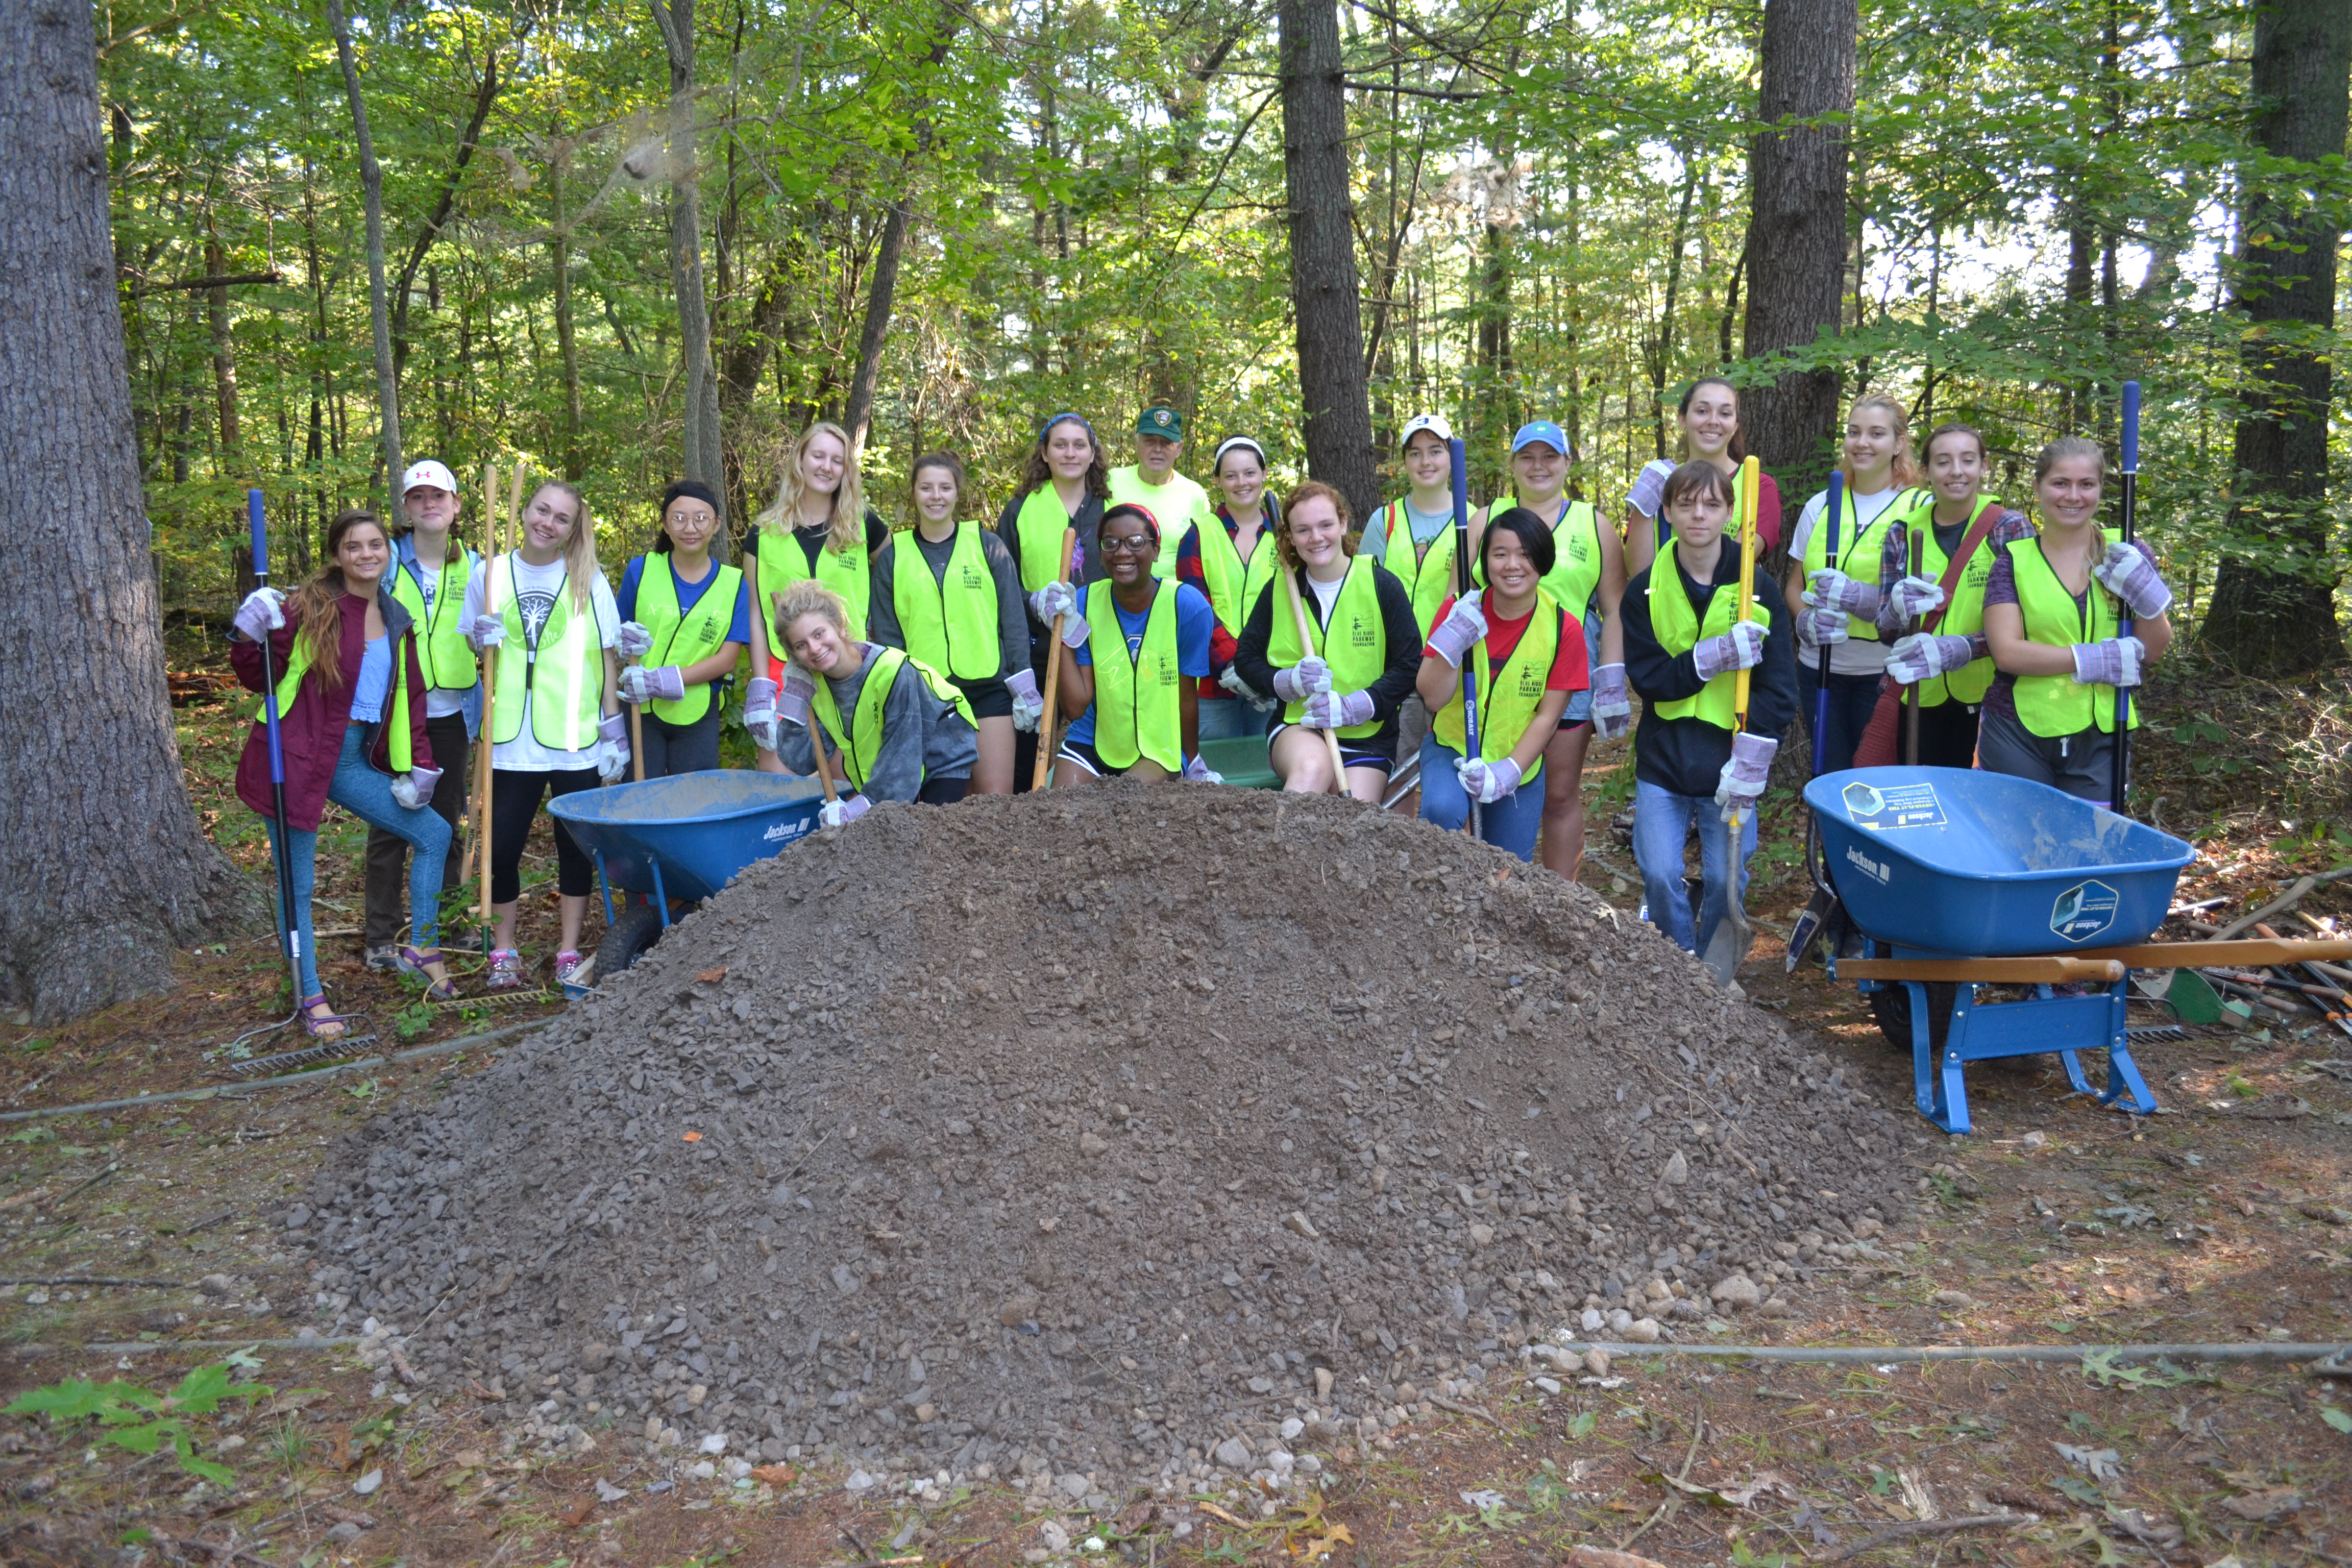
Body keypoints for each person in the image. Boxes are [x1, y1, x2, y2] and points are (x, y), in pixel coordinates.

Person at [231, 509, 456, 1037]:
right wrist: (247, 632)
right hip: (296, 756)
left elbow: (411, 697)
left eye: (375, 544)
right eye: (353, 547)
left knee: (434, 832)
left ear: (388, 551)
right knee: (300, 886)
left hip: (351, 758)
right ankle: (310, 995)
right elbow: (254, 673)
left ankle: (421, 948)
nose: (366, 555)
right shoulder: (309, 607)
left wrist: (421, 766)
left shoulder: (396, 616)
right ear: (337, 555)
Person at [1620, 462, 1798, 956]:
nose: (1698, 514)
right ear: (1669, 512)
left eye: (1712, 504)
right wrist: (1710, 657)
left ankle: (1712, 969)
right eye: (1686, 503)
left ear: (1729, 514)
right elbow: (1649, 679)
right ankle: (1681, 965)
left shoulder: (1758, 588)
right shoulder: (1644, 590)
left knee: (1725, 880)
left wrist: (1754, 754)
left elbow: (1781, 687)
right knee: (1658, 872)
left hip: (1730, 762)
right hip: (1665, 760)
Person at [462, 479, 626, 991]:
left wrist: (612, 731)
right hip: (510, 740)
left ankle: (568, 950)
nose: (547, 523)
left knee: (574, 850)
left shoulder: (588, 578)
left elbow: (607, 653)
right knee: (503, 849)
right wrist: (478, 636)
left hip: (573, 738)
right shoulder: (489, 573)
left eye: (561, 518)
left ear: (573, 529)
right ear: (526, 510)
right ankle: (504, 950)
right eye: (541, 510)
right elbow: (472, 638)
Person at [1979, 436, 2173, 806]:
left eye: (2087, 484)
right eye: (2060, 483)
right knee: (2021, 847)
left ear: (2101, 488)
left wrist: (2149, 602)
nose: (2073, 496)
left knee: (2089, 849)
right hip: (2017, 732)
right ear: (2038, 488)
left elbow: (2153, 651)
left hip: (2103, 734)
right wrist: (2089, 660)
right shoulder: (2013, 561)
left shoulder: (2127, 552)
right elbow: (2006, 653)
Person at [1473, 420, 1626, 878]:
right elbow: (1460, 596)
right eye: (1527, 457)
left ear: (1567, 463)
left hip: (1567, 672)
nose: (1539, 467)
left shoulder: (1593, 524)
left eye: (1550, 457)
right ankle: (1486, 889)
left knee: (1559, 794)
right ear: (1514, 464)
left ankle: (1564, 904)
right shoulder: (1487, 518)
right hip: (1496, 673)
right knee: (1489, 786)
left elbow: (1614, 608)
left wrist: (1612, 676)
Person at [361, 460, 479, 974]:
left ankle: (452, 921)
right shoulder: (385, 563)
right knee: (390, 825)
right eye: (418, 497)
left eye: (439, 496)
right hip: (393, 718)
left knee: (447, 822)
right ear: (406, 509)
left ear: (456, 505)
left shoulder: (476, 565)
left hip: (452, 713)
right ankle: (381, 936)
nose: (429, 504)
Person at [1415, 508, 1586, 862]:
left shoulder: (1563, 628)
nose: (1513, 565)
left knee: (1508, 870)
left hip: (1518, 764)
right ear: (1485, 560)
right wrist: (1452, 643)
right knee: (1441, 811)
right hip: (1452, 748)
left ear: (1544, 558)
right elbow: (1431, 697)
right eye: (1500, 553)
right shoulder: (1459, 610)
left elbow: (1548, 718)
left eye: (1525, 554)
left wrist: (1509, 771)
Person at [1234, 481, 1421, 800]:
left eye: (1326, 525)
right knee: (1313, 770)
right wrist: (1287, 681)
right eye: (1303, 530)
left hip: (1369, 735)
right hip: (1299, 728)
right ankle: (1279, 849)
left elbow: (1410, 664)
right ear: (1291, 537)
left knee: (1353, 817)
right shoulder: (1280, 589)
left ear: (1343, 524)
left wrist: (1356, 707)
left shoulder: (1381, 585)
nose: (1316, 538)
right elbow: (1246, 659)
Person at [868, 452, 1035, 795]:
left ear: (958, 493)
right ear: (913, 493)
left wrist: (1023, 683)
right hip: (929, 696)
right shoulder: (892, 557)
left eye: (945, 487)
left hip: (989, 689)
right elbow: (888, 638)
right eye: (926, 488)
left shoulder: (988, 546)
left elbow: (1013, 620)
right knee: (946, 807)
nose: (936, 496)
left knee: (994, 802)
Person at [1782, 393, 1929, 776]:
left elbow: (1924, 596)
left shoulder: (1918, 508)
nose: (1862, 443)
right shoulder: (1821, 504)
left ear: (1899, 443)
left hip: (1883, 672)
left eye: (1876, 434)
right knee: (1830, 778)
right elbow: (1794, 584)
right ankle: (1835, 840)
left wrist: (1861, 598)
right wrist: (1804, 621)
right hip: (1821, 668)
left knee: (1873, 779)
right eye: (1853, 432)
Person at [1031, 503, 1218, 785]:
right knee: (1061, 808)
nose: (1122, 552)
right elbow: (1076, 707)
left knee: (1125, 798)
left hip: (1158, 745)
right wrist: (1065, 633)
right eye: (1111, 543)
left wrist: (1191, 762)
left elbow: (1186, 696)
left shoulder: (1187, 606)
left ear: (1155, 550)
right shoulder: (1082, 602)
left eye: (1136, 542)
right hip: (1094, 739)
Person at [1874, 424, 2024, 768]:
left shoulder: (2010, 529)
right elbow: (1885, 632)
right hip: (1917, 699)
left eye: (1968, 460)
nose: (1957, 471)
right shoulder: (1903, 533)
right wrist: (1896, 612)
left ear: (1984, 466)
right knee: (1921, 805)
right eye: (1943, 462)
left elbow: (2027, 625)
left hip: (1992, 701)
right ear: (1926, 472)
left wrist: (1959, 648)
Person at [765, 580, 978, 819]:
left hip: (939, 760)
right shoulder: (814, 685)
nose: (814, 648)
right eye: (801, 645)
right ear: (793, 656)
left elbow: (903, 758)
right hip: (887, 776)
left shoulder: (893, 673)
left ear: (840, 627)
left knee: (925, 844)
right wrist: (796, 697)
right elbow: (802, 761)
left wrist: (855, 811)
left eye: (819, 634)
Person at [745, 421, 887, 772]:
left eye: (837, 460)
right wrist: (761, 682)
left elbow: (894, 588)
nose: (827, 466)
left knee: (843, 792)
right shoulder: (763, 534)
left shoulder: (864, 526)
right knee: (780, 793)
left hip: (846, 673)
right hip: (783, 673)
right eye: (818, 456)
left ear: (846, 470)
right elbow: (754, 614)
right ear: (801, 461)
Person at [995, 412, 1110, 790]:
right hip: (1039, 649)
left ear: (1093, 454)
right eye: (1060, 445)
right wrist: (1035, 602)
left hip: (1102, 649)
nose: (1070, 453)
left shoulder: (1111, 507)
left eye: (1080, 445)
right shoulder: (1020, 509)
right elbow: (1004, 585)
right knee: (1031, 760)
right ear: (1044, 453)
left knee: (1099, 751)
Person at [614, 480, 750, 778]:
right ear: (665, 524)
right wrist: (623, 644)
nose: (690, 528)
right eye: (679, 518)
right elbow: (619, 635)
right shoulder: (641, 569)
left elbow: (727, 659)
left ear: (716, 524)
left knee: (694, 801)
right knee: (639, 801)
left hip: (697, 711)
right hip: (640, 708)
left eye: (701, 518)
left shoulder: (734, 583)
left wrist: (666, 681)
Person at [1359, 414, 1461, 790]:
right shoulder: (1384, 520)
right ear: (1405, 462)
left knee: (1448, 777)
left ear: (1452, 457)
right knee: (1396, 772)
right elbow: (1362, 593)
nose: (1426, 462)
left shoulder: (1475, 520)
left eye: (1435, 451)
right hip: (1393, 669)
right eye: (1415, 453)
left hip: (1449, 666)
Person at [1623, 377, 1785, 576]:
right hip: (1666, 605)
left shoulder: (1758, 486)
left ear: (1735, 426)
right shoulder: (1661, 481)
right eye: (1702, 411)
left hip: (1728, 604)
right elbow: (1640, 573)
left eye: (1725, 414)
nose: (1713, 421)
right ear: (1683, 419)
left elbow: (1734, 566)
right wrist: (1643, 507)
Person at [1181, 435, 1283, 741]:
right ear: (1218, 481)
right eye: (1231, 475)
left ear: (1264, 474)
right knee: (1214, 775)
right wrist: (1235, 662)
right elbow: (1196, 607)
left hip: (1272, 676)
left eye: (1250, 473)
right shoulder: (1199, 534)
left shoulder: (1284, 536)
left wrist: (1256, 669)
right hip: (1214, 681)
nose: (1242, 483)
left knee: (1269, 771)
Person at [1107, 406, 1218, 579]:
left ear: (1179, 449)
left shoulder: (1195, 495)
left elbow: (1205, 559)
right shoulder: (1111, 482)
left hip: (1175, 599)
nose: (1158, 449)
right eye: (1150, 441)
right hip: (1115, 595)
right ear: (1136, 443)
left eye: (1166, 443)